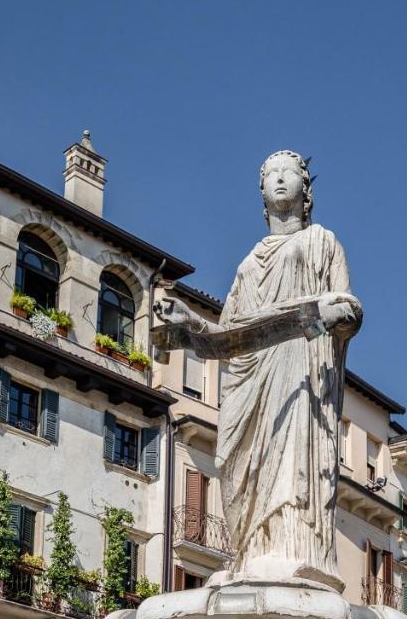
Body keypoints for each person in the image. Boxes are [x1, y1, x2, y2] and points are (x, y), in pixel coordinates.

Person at [154, 151, 362, 592]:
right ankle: (251, 551)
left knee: (292, 463)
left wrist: (337, 315)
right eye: (272, 175)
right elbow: (226, 338)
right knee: (240, 463)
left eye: (290, 172)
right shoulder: (250, 263)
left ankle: (295, 551)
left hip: (301, 375)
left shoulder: (323, 242)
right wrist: (186, 322)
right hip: (251, 380)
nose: (281, 179)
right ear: (262, 194)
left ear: (307, 190)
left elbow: (348, 309)